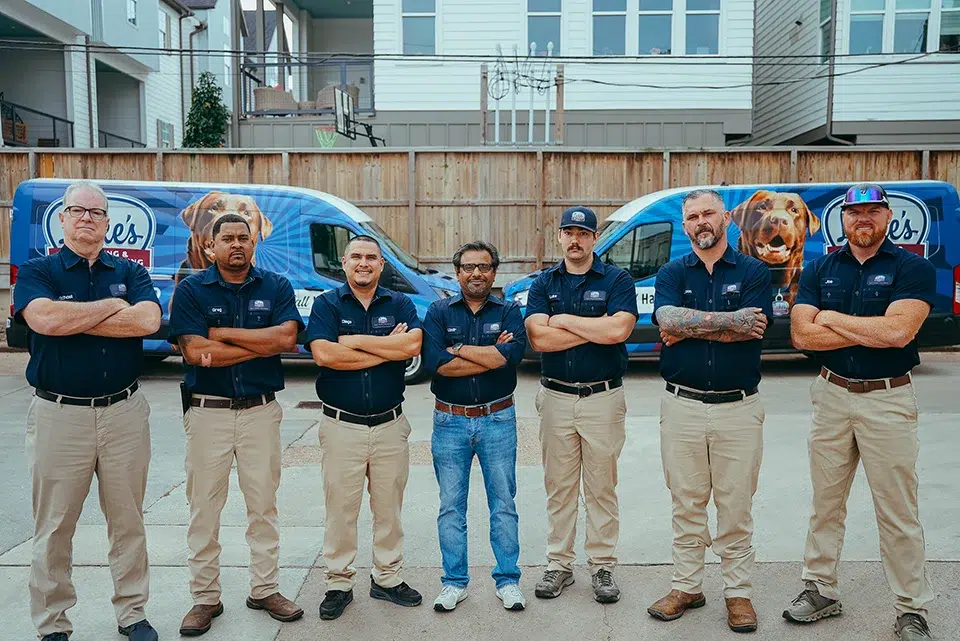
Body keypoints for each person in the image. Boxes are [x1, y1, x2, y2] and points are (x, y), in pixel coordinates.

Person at [783, 183, 937, 641]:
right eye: (854, 213)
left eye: (872, 211)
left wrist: (830, 318)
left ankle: (911, 607)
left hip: (888, 398)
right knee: (825, 505)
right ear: (843, 220)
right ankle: (820, 589)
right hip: (831, 395)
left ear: (887, 217)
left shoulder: (912, 268)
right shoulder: (819, 267)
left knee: (897, 509)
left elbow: (898, 333)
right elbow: (802, 338)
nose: (862, 220)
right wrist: (866, 329)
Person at [14, 180, 162, 641]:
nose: (86, 219)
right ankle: (53, 623)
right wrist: (112, 308)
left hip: (124, 412)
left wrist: (78, 317)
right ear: (62, 219)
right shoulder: (40, 271)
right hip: (60, 415)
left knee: (128, 521)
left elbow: (148, 321)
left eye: (96, 213)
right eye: (77, 210)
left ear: (107, 222)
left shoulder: (131, 271)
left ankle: (132, 614)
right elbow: (44, 320)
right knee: (54, 526)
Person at [167, 212, 305, 636]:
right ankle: (205, 598)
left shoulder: (276, 286)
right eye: (227, 238)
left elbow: (286, 340)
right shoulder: (191, 289)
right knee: (204, 508)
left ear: (254, 243)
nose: (236, 245)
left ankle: (264, 589)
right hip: (208, 413)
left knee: (263, 505)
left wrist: (222, 335)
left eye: (243, 237)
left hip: (261, 412)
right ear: (212, 246)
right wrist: (259, 344)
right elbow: (193, 352)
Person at [647, 189, 773, 634]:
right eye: (692, 216)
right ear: (685, 226)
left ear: (726, 219)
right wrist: (728, 321)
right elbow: (665, 321)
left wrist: (690, 326)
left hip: (737, 409)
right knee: (686, 503)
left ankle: (738, 594)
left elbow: (753, 329)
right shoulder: (671, 271)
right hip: (680, 405)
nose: (701, 222)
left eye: (708, 214)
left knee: (735, 506)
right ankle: (687, 586)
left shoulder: (755, 270)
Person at [304, 235, 424, 620]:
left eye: (372, 257)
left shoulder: (401, 303)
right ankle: (339, 582)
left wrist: (353, 343)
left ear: (382, 264)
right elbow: (324, 354)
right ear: (344, 262)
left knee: (389, 507)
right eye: (356, 256)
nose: (364, 263)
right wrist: (383, 348)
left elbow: (411, 347)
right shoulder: (326, 304)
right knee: (341, 508)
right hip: (342, 426)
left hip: (390, 424)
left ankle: (387, 578)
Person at [523, 206, 639, 604]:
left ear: (594, 239)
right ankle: (559, 565)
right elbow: (538, 339)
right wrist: (594, 328)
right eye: (568, 232)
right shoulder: (543, 283)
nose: (575, 240)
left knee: (601, 486)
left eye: (583, 233)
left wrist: (563, 321)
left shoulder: (617, 279)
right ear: (559, 237)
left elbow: (619, 330)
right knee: (559, 486)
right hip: (555, 398)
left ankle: (603, 565)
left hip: (603, 398)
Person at [422, 241, 528, 613]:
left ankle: (508, 580)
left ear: (494, 272)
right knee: (451, 506)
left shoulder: (511, 310)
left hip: (498, 418)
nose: (476, 274)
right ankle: (454, 582)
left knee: (503, 504)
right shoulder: (437, 312)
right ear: (458, 273)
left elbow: (512, 356)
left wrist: (459, 348)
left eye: (484, 267)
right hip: (449, 420)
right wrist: (489, 354)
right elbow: (437, 363)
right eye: (468, 267)